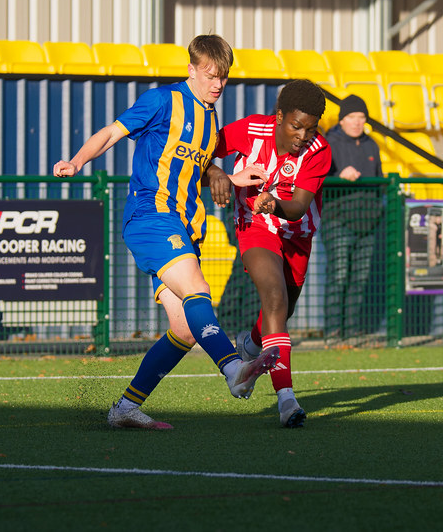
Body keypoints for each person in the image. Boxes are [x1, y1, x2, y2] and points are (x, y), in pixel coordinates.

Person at [53, 34, 280, 430]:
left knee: (184, 330)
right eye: (210, 75)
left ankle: (124, 409)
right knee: (198, 288)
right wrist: (77, 161)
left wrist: (232, 177)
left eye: (223, 77)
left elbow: (193, 172)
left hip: (184, 224)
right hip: (151, 216)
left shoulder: (210, 119)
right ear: (191, 69)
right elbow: (111, 132)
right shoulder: (162, 101)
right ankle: (233, 369)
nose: (217, 84)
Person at [210, 79, 330, 428]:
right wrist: (216, 172)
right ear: (279, 116)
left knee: (282, 310)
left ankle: (250, 345)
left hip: (297, 234)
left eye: (311, 128)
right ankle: (287, 400)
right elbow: (201, 152)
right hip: (255, 225)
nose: (303, 136)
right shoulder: (249, 130)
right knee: (275, 298)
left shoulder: (320, 150)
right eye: (296, 126)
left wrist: (274, 203)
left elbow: (298, 208)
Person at [320, 95, 383, 338]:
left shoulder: (372, 145)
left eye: (361, 117)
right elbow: (316, 181)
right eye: (352, 117)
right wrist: (338, 177)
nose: (357, 122)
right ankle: (333, 331)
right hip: (338, 220)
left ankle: (352, 330)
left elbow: (380, 182)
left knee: (360, 279)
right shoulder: (329, 144)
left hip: (368, 222)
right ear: (342, 120)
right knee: (339, 276)